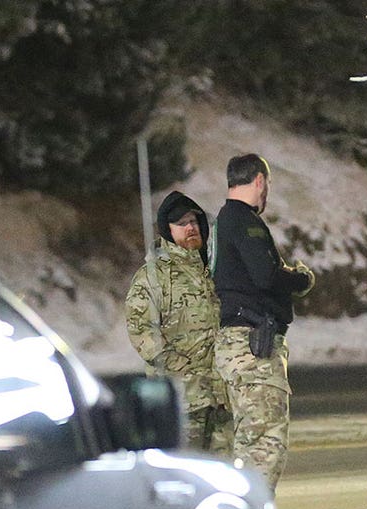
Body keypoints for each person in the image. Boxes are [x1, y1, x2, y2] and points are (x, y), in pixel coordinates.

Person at [212, 153, 314, 491]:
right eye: (265, 184)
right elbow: (265, 276)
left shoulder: (224, 221)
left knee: (249, 440)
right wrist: (299, 279)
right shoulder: (244, 221)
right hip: (252, 344)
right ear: (259, 181)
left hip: (238, 343)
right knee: (264, 444)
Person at [125, 190, 231, 453]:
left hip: (221, 397)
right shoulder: (154, 276)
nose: (190, 228)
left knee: (223, 474)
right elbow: (141, 330)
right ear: (167, 230)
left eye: (194, 222)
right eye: (181, 223)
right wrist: (178, 366)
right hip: (183, 399)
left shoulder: (214, 268)